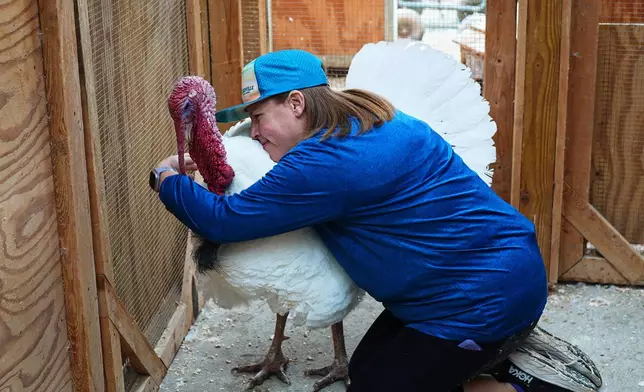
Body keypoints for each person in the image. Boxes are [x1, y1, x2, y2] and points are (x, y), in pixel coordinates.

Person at [151, 49, 549, 392]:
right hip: (489, 275)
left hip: (480, 300)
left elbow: (223, 222)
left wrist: (166, 178)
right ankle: (483, 357)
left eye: (258, 117)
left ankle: (515, 380)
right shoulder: (376, 118)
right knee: (364, 374)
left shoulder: (324, 164)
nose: (253, 132)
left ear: (295, 103)